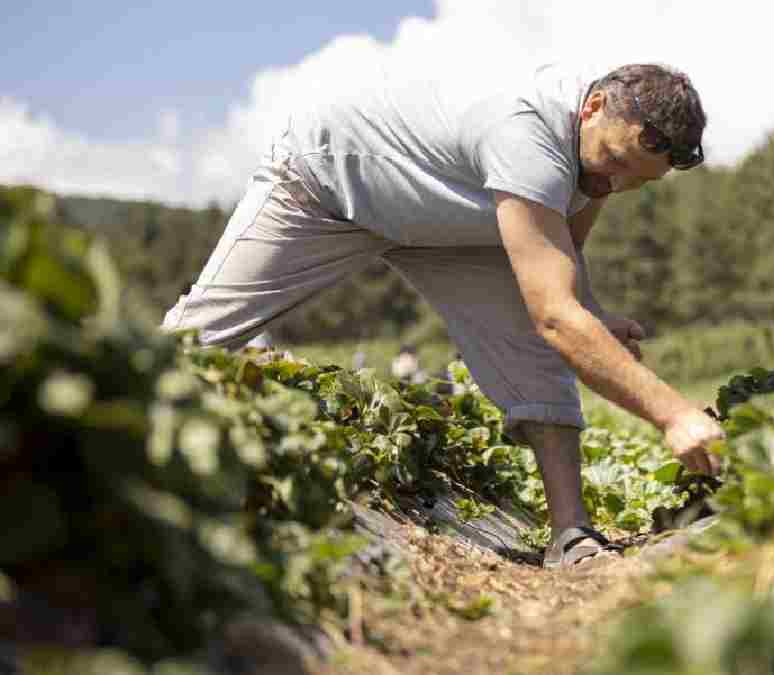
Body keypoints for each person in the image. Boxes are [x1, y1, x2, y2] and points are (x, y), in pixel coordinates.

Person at [161, 61, 725, 568]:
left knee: (532, 351)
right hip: (325, 185)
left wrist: (596, 315)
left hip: (444, 220)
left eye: (637, 182)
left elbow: (566, 259)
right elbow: (557, 316)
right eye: (617, 165)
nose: (614, 185)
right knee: (199, 338)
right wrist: (674, 414)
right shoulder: (529, 133)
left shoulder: (596, 151)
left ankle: (571, 535)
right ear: (594, 106)